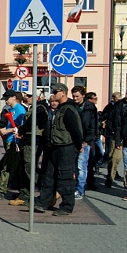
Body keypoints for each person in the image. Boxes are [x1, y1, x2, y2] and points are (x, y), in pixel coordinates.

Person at [34, 83, 84, 216]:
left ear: (63, 93)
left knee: (65, 177)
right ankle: (42, 202)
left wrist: (78, 147)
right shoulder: (61, 109)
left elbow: (76, 131)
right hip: (54, 147)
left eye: (56, 92)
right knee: (48, 176)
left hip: (66, 148)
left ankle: (67, 206)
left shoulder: (69, 110)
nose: (53, 94)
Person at [0, 89, 26, 200]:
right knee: (14, 167)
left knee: (6, 167)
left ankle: (1, 190)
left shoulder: (20, 109)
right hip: (10, 140)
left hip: (15, 141)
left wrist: (6, 131)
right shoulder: (11, 109)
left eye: (7, 99)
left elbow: (21, 127)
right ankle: (21, 190)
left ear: (14, 97)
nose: (6, 101)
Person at [70, 86, 98, 199]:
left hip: (84, 141)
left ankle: (80, 190)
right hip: (73, 140)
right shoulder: (72, 105)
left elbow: (93, 125)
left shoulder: (90, 107)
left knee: (81, 166)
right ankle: (74, 187)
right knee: (73, 166)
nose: (75, 98)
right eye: (73, 96)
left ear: (83, 95)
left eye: (77, 96)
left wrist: (86, 140)